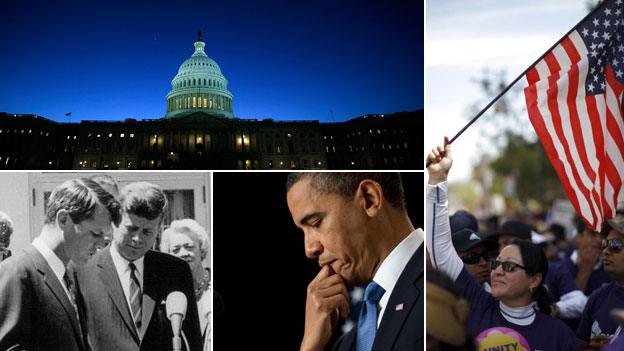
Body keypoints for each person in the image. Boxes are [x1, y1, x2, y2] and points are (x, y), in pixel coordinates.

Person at [427, 138, 578, 350]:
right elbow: (440, 247)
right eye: (496, 264)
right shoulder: (477, 303)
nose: (497, 271)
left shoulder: (559, 334)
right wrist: (437, 180)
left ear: (534, 280)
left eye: (508, 267)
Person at [286, 172, 423, 351]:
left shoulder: (438, 283)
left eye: (316, 223)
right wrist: (311, 346)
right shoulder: (346, 343)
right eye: (302, 231)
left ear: (369, 199)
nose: (310, 249)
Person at [77, 182, 202, 351]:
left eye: (147, 232)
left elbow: (192, 340)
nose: (137, 239)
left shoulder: (175, 270)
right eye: (131, 229)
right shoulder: (82, 271)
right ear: (115, 223)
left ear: (158, 229)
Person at [0, 178, 120, 351]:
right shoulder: (17, 272)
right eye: (95, 234)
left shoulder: (69, 275)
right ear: (64, 219)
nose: (102, 245)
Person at [160, 218, 212, 351]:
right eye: (176, 250)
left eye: (189, 247)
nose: (183, 254)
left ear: (202, 249)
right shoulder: (165, 300)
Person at [576, 221, 624, 350]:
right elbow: (580, 345)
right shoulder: (598, 297)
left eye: (615, 245)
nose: (606, 251)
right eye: (605, 244)